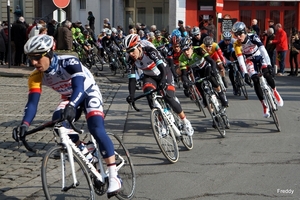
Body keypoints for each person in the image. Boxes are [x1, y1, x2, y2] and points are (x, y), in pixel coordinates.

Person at [12, 34, 122, 197]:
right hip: (69, 97)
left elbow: (79, 87)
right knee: (58, 125)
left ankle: (114, 176)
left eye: (37, 57)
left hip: (88, 92)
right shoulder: (36, 76)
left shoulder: (69, 62)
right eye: (30, 58)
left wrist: (72, 106)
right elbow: (33, 103)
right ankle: (86, 151)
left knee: (96, 128)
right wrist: (24, 124)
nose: (33, 63)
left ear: (49, 53)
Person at [124, 34, 194, 136]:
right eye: (128, 51)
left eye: (132, 50)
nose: (130, 54)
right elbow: (132, 79)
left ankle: (185, 121)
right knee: (149, 94)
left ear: (139, 47)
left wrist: (162, 81)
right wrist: (131, 95)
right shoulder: (130, 60)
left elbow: (162, 67)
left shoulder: (149, 51)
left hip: (164, 72)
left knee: (168, 96)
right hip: (149, 76)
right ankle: (162, 122)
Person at [231, 21, 283, 118]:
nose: (238, 37)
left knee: (267, 74)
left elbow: (263, 50)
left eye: (240, 34)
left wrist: (269, 64)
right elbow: (240, 59)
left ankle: (275, 91)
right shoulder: (237, 44)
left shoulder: (253, 37)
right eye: (236, 35)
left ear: (244, 32)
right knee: (255, 80)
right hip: (250, 61)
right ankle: (264, 105)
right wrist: (245, 73)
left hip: (259, 57)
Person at [179, 37, 228, 127]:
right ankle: (214, 116)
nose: (186, 52)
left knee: (211, 79)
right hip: (196, 72)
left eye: (187, 49)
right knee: (203, 96)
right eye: (184, 50)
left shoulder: (199, 50)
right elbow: (184, 74)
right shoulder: (182, 58)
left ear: (191, 47)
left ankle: (221, 95)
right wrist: (185, 82)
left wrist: (213, 69)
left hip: (206, 67)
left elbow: (211, 61)